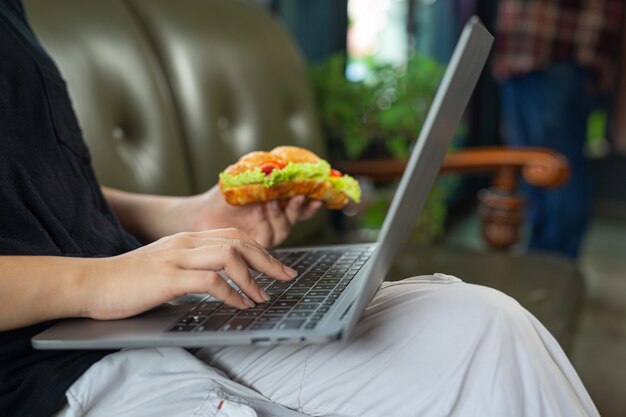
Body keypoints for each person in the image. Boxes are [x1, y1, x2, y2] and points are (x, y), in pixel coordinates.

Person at [0, 1, 601, 416]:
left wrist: (184, 218)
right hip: (38, 372)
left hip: (142, 315)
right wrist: (94, 281)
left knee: (487, 330)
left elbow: (33, 186)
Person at [492, 0, 625, 259]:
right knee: (533, 175)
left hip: (563, 49)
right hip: (521, 52)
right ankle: (538, 265)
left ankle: (556, 273)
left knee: (560, 172)